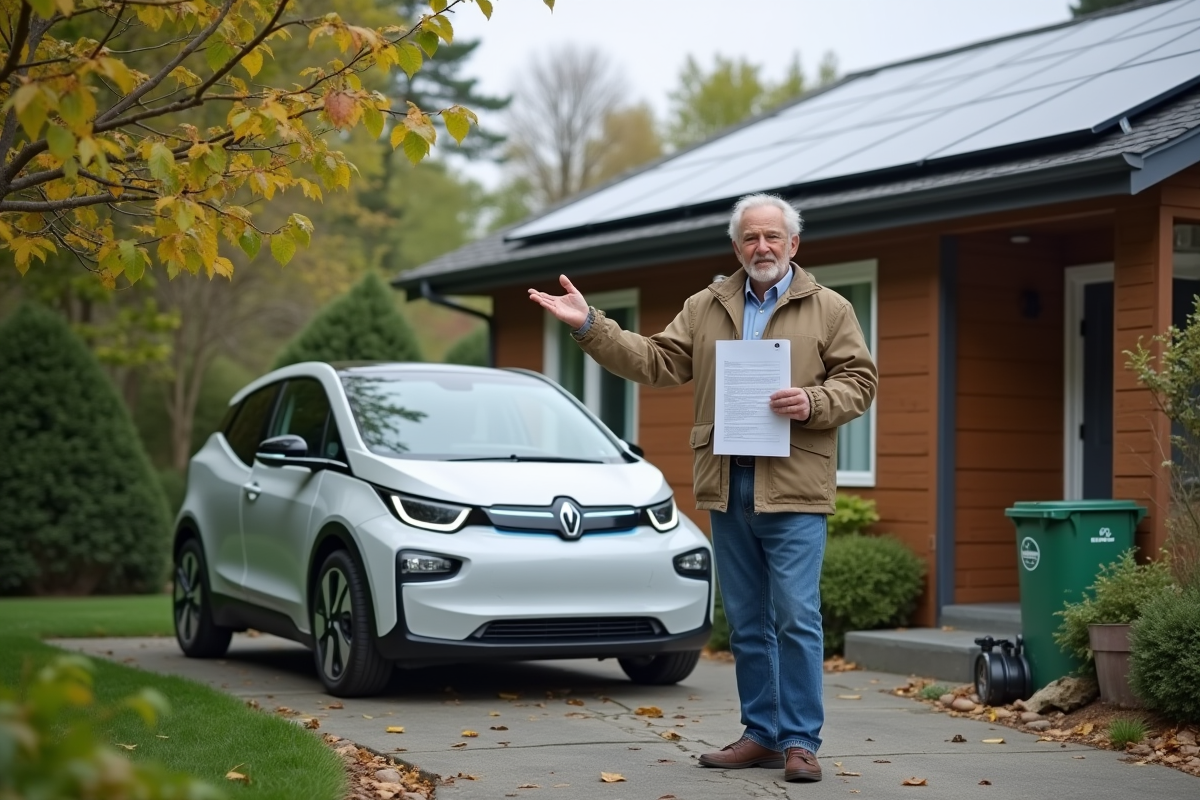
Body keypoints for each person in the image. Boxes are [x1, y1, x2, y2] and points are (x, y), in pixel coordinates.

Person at [529, 193, 878, 784]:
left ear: (794, 245)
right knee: (745, 620)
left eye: (772, 237)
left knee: (796, 616)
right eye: (750, 238)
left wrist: (814, 401)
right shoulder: (707, 305)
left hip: (793, 486)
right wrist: (590, 326)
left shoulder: (831, 308)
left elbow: (860, 382)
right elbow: (655, 361)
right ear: (736, 246)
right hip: (728, 482)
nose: (761, 247)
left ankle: (799, 740)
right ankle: (762, 734)